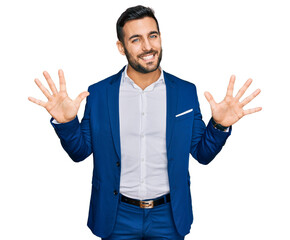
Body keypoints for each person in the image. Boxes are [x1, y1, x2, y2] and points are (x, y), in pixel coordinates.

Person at [28, 5, 262, 240]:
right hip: (115, 214)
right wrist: (67, 123)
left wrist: (219, 126)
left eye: (152, 36)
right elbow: (80, 152)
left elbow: (202, 154)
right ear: (121, 47)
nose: (148, 46)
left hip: (169, 217)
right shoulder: (99, 94)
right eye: (136, 39)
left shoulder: (185, 92)